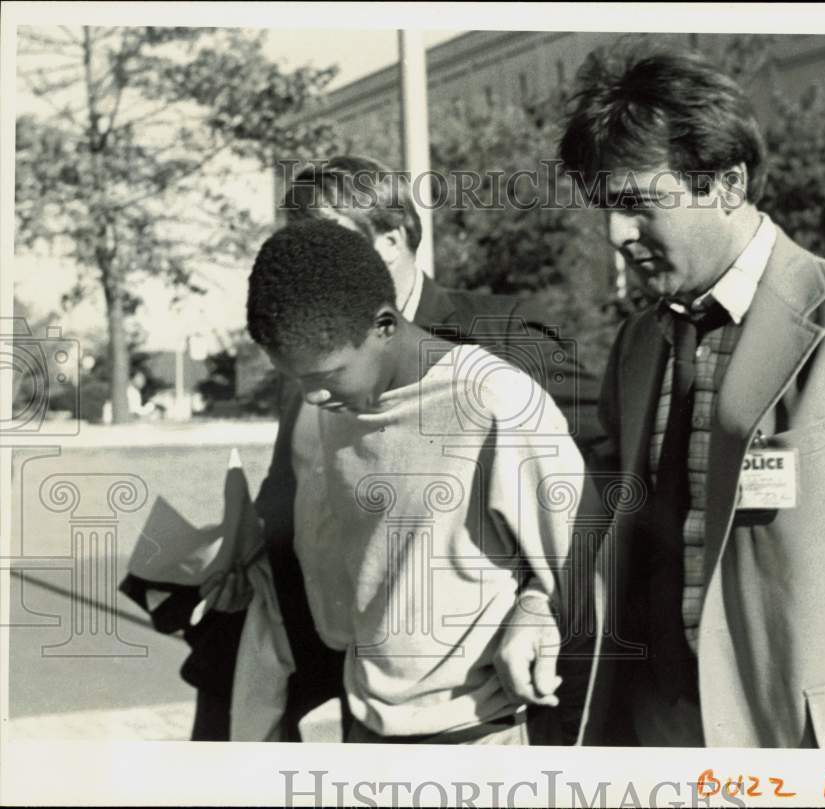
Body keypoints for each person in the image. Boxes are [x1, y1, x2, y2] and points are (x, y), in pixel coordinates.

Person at [121, 156, 600, 743]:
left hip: (481, 700)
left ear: (391, 239)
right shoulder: (311, 358)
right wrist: (244, 560)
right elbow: (298, 493)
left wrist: (538, 602)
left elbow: (593, 495)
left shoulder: (500, 353)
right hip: (357, 669)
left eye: (327, 239)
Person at [559, 48, 825, 748]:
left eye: (637, 204)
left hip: (811, 752)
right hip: (661, 736)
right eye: (606, 210)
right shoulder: (638, 345)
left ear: (728, 183)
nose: (616, 235)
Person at [237, 219, 583, 743]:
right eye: (298, 382)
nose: (313, 398)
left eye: (327, 376)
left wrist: (536, 606)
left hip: (484, 732)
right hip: (369, 728)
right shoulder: (328, 413)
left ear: (384, 325)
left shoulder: (496, 401)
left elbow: (579, 566)